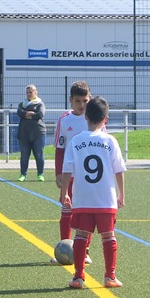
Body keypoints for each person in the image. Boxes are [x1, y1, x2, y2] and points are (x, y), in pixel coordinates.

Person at [60, 96, 126, 289]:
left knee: (80, 236)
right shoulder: (110, 140)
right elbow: (119, 170)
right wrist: (121, 194)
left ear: (86, 116)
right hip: (105, 198)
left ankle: (78, 277)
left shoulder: (76, 140)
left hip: (82, 198)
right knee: (108, 236)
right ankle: (110, 276)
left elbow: (67, 170)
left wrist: (64, 193)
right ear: (106, 119)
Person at [53, 81, 95, 264]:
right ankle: (65, 247)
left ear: (90, 99)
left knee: (86, 214)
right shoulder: (64, 120)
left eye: (85, 101)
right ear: (71, 100)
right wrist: (58, 174)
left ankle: (85, 251)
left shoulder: (94, 119)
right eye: (78, 101)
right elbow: (60, 149)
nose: (82, 105)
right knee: (66, 211)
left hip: (89, 176)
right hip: (69, 175)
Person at [16, 84, 46, 182]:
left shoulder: (40, 104)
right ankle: (23, 175)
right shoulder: (22, 104)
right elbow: (19, 112)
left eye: (31, 92)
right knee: (24, 156)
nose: (29, 94)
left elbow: (40, 114)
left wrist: (27, 115)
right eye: (27, 92)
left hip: (38, 134)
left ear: (35, 92)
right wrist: (29, 114)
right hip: (24, 134)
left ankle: (40, 174)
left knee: (39, 155)